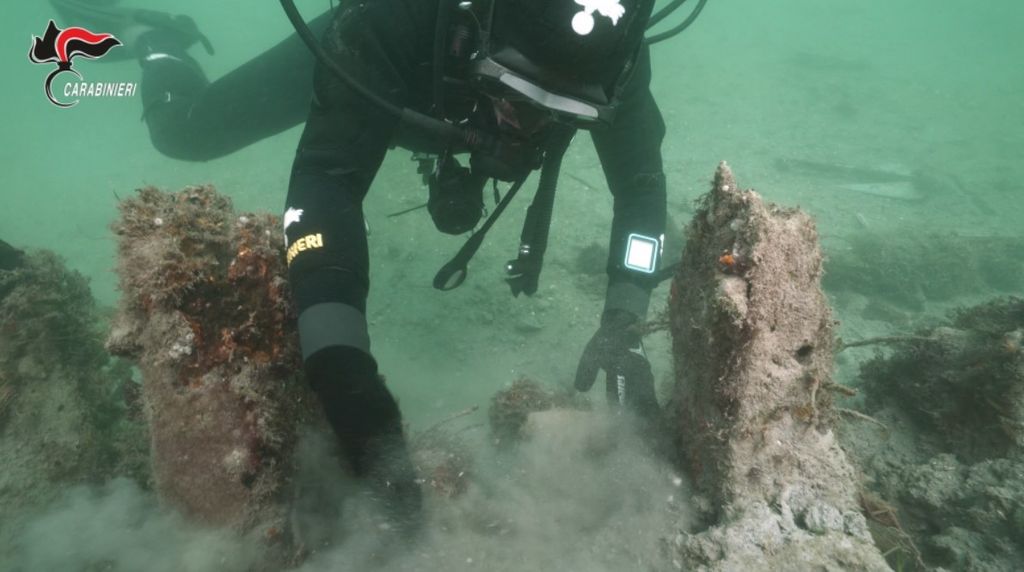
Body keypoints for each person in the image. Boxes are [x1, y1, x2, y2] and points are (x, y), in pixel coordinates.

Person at [53, 0, 675, 534]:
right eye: (512, 90)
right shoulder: (390, 21)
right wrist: (338, 360)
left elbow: (642, 188)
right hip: (395, 72)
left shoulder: (612, 53)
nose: (529, 124)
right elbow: (327, 179)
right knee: (184, 135)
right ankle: (159, 44)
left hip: (455, 86)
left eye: (566, 112)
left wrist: (626, 323)